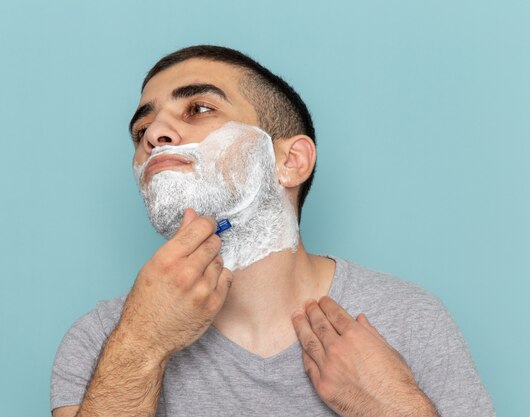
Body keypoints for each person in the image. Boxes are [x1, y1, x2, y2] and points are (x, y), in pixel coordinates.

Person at [50, 45, 496, 417]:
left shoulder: (409, 319)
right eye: (141, 129)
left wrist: (395, 407)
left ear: (290, 162)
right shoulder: (105, 340)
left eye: (199, 108)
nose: (154, 135)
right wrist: (144, 341)